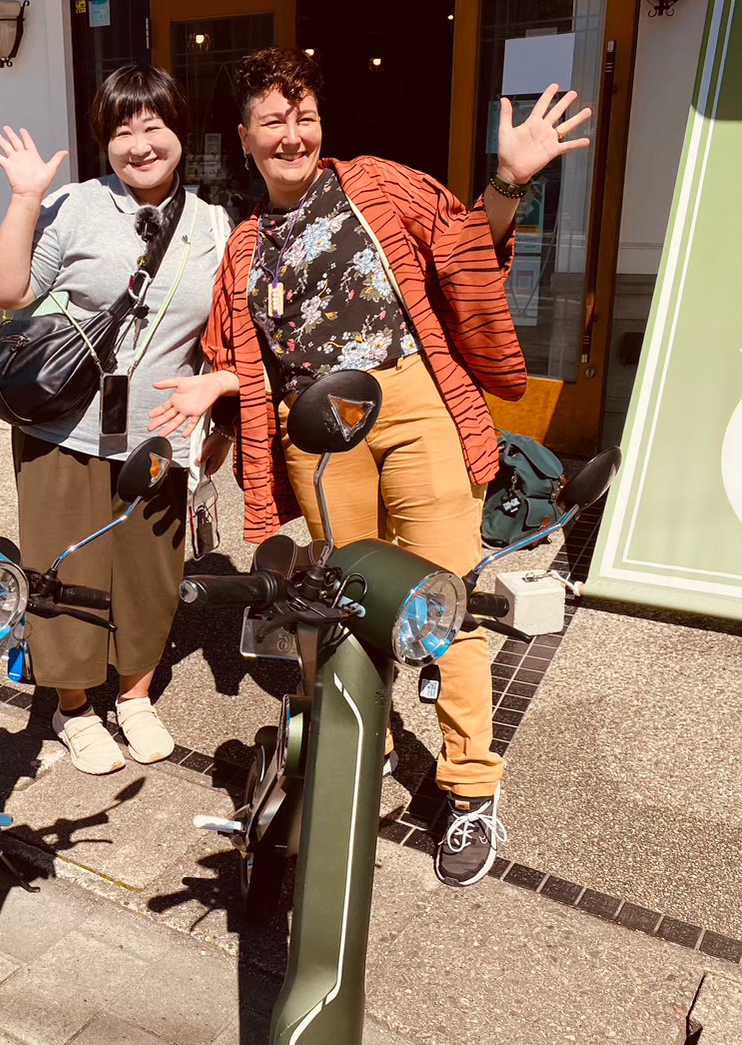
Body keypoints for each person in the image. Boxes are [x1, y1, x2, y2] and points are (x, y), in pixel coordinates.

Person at [149, 47, 590, 885]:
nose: (293, 134)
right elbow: (243, 359)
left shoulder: (377, 185)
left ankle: (469, 785)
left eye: (304, 115)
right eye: (273, 120)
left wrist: (506, 182)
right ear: (243, 137)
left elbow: (465, 249)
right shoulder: (243, 247)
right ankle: (369, 741)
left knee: (444, 598)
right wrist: (220, 385)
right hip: (315, 429)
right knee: (341, 598)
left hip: (412, 401)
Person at [0, 65, 233, 776]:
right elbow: (5, 291)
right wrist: (25, 199)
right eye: (122, 130)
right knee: (66, 568)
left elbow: (224, 335)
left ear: (179, 131)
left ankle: (135, 696)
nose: (140, 144)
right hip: (64, 428)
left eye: (154, 125)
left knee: (151, 572)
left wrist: (219, 418)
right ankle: (74, 708)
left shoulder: (214, 225)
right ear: (104, 140)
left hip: (160, 432)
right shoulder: (73, 206)